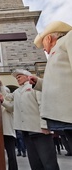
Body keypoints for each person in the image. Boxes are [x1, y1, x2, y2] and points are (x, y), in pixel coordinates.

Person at [0, 69, 59, 170]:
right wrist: (1, 87)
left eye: (19, 76)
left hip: (40, 129)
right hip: (26, 131)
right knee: (34, 161)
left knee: (48, 161)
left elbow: (42, 105)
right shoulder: (17, 91)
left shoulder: (35, 87)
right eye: (16, 77)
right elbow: (10, 103)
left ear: (27, 76)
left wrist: (45, 124)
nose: (17, 79)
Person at [29, 21, 72, 152]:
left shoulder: (68, 38)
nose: (43, 49)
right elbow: (57, 83)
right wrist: (38, 82)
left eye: (43, 44)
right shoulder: (55, 52)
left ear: (48, 38)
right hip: (64, 113)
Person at [0, 86, 18, 170]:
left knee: (11, 154)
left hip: (8, 132)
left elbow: (10, 108)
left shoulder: (10, 103)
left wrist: (3, 100)